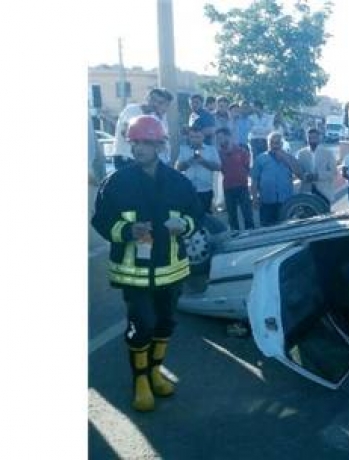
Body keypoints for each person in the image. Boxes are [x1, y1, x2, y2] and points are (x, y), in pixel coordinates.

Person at [91, 115, 202, 412]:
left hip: (171, 269)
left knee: (165, 323)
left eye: (145, 143)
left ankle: (155, 371)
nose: (138, 148)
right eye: (135, 142)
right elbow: (100, 221)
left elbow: (197, 214)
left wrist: (186, 225)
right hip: (134, 273)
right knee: (141, 326)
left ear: (159, 145)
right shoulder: (116, 183)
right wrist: (127, 232)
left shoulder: (179, 183)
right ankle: (140, 381)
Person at [111, 88, 174, 169]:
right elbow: (125, 132)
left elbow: (163, 141)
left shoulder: (157, 117)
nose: (155, 104)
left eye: (160, 102)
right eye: (153, 100)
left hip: (144, 160)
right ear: (147, 98)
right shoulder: (132, 110)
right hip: (126, 158)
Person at [250, 132, 300, 226]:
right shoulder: (260, 158)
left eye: (277, 143)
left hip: (286, 202)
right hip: (267, 201)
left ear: (281, 144)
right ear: (268, 144)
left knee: (286, 228)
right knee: (267, 229)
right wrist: (255, 198)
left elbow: (298, 173)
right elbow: (254, 180)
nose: (275, 145)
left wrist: (285, 158)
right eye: (272, 143)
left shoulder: (289, 157)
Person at [176, 126, 222, 215]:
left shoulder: (211, 149)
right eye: (192, 137)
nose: (195, 140)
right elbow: (178, 168)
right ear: (189, 138)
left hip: (206, 190)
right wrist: (189, 162)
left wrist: (203, 162)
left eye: (197, 137)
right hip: (189, 190)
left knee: (206, 216)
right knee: (190, 215)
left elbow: (218, 167)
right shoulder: (183, 149)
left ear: (203, 137)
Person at [217, 126, 255, 231]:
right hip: (228, 187)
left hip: (242, 186)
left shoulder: (242, 151)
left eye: (221, 137)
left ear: (228, 137)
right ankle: (235, 236)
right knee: (232, 216)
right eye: (218, 138)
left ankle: (251, 234)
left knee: (247, 214)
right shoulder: (218, 154)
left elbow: (248, 168)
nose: (219, 140)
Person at [296, 128, 338, 206]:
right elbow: (298, 171)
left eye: (314, 138)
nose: (312, 140)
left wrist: (317, 176)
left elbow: (334, 172)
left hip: (324, 192)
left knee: (325, 216)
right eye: (310, 138)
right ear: (306, 138)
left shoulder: (328, 153)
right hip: (306, 192)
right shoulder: (301, 153)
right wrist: (304, 175)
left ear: (319, 138)